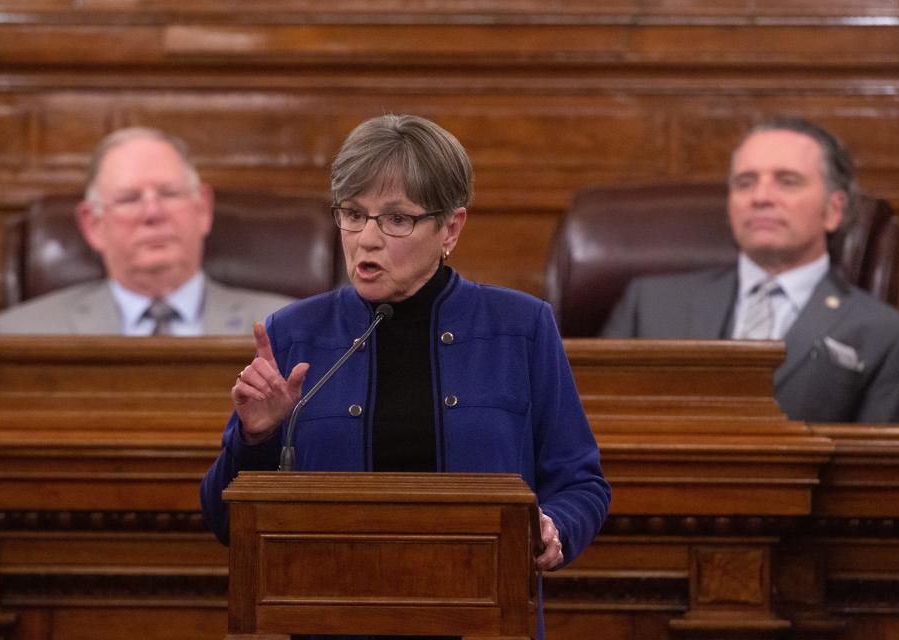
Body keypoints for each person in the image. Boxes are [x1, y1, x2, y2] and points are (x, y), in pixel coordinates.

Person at [200, 114, 610, 638]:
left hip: (482, 619)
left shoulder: (521, 328)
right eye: (352, 214)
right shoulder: (293, 333)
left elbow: (581, 483)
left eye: (396, 219)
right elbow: (224, 523)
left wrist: (555, 529)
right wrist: (254, 438)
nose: (366, 239)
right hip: (329, 621)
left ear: (451, 228)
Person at [603, 116, 899, 423]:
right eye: (745, 183)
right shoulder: (650, 303)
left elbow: (873, 465)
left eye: (788, 181)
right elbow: (598, 426)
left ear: (833, 210)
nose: (760, 198)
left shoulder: (885, 334)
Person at [0, 127, 293, 335]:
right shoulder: (23, 333)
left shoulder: (287, 327)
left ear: (202, 210)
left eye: (169, 194)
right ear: (93, 225)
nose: (153, 213)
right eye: (129, 199)